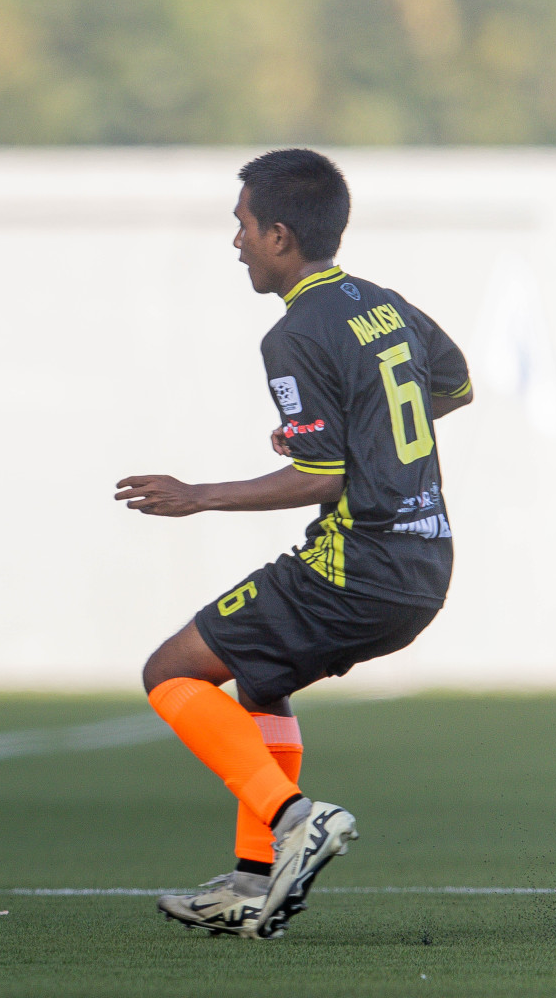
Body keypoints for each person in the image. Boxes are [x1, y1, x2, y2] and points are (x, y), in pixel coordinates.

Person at [115, 148, 473, 939]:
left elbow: (321, 477)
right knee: (259, 680)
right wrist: (361, 434)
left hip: (359, 564)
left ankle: (295, 818)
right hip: (424, 562)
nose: (234, 242)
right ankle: (252, 882)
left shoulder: (296, 333)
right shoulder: (382, 304)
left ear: (280, 235)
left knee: (170, 672)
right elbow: (454, 385)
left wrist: (196, 495)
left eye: (241, 225)